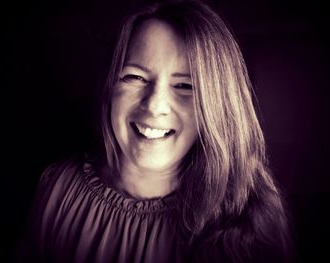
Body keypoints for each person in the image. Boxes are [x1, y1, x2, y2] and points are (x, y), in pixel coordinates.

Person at [17, 0, 293, 262]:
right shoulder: (57, 188)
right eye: (135, 77)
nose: (154, 105)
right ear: (110, 88)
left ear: (218, 107)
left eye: (185, 85)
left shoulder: (252, 221)